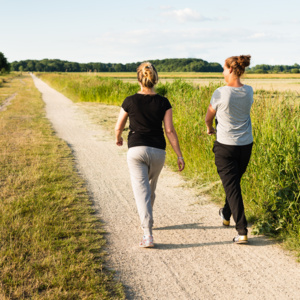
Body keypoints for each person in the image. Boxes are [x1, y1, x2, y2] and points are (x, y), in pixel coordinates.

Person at [115, 62, 185, 248]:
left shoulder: (129, 101)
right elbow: (169, 130)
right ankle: (148, 218)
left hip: (136, 150)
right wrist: (179, 155)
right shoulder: (164, 102)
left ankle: (147, 234)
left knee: (142, 192)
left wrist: (118, 137)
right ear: (155, 79)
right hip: (158, 152)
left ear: (139, 79)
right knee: (150, 190)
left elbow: (119, 126)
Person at [205, 55, 253, 244]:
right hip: (245, 146)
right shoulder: (249, 91)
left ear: (231, 70)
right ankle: (226, 213)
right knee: (232, 184)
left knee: (232, 187)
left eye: (224, 69)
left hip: (225, 146)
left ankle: (242, 230)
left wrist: (209, 128)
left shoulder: (220, 93)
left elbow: (209, 117)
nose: (222, 72)